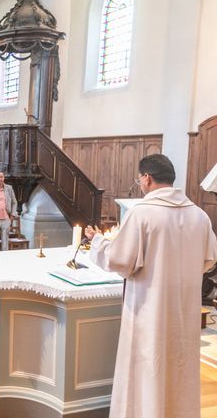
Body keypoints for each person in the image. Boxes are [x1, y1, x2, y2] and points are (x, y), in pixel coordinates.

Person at [84, 154, 217, 418]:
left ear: (146, 178)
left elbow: (120, 260)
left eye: (139, 178)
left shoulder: (143, 214)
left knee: (148, 367)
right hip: (183, 314)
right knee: (179, 368)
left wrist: (98, 241)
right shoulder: (199, 215)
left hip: (149, 311)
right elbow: (208, 259)